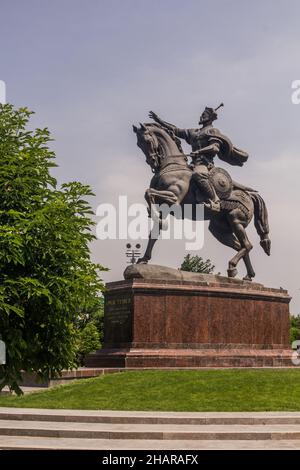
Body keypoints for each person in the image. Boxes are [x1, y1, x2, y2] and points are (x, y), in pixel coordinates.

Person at [149, 104, 248, 212]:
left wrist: (199, 151)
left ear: (210, 117)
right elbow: (176, 130)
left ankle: (215, 201)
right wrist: (159, 120)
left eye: (204, 115)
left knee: (198, 174)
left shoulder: (213, 131)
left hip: (205, 164)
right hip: (193, 164)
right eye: (201, 115)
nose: (201, 117)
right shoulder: (194, 132)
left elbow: (215, 148)